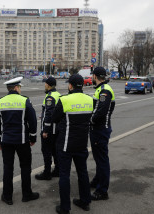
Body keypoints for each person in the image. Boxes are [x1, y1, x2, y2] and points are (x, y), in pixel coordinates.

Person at [0, 77, 39, 205]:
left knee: (8, 168)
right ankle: (27, 194)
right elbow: (33, 121)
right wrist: (33, 137)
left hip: (6, 141)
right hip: (22, 140)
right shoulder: (25, 100)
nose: (20, 89)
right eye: (20, 87)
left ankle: (7, 196)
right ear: (17, 87)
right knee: (25, 167)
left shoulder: (0, 102)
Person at [52, 74, 93, 214]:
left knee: (64, 175)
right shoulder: (90, 99)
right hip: (82, 144)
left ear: (70, 85)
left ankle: (65, 208)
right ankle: (85, 201)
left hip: (66, 144)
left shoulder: (64, 99)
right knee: (83, 173)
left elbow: (54, 118)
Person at [90, 67, 115, 201]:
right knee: (99, 158)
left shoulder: (105, 90)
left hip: (100, 130)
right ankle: (97, 181)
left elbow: (101, 112)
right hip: (98, 129)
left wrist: (91, 121)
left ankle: (102, 191)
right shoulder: (101, 89)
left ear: (95, 76)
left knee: (102, 160)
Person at [35, 76, 61, 180]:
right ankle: (57, 170)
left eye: (45, 84)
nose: (44, 85)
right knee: (55, 151)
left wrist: (45, 130)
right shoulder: (58, 94)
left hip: (50, 130)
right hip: (56, 129)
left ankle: (47, 173)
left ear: (49, 85)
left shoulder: (50, 97)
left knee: (46, 151)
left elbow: (49, 114)